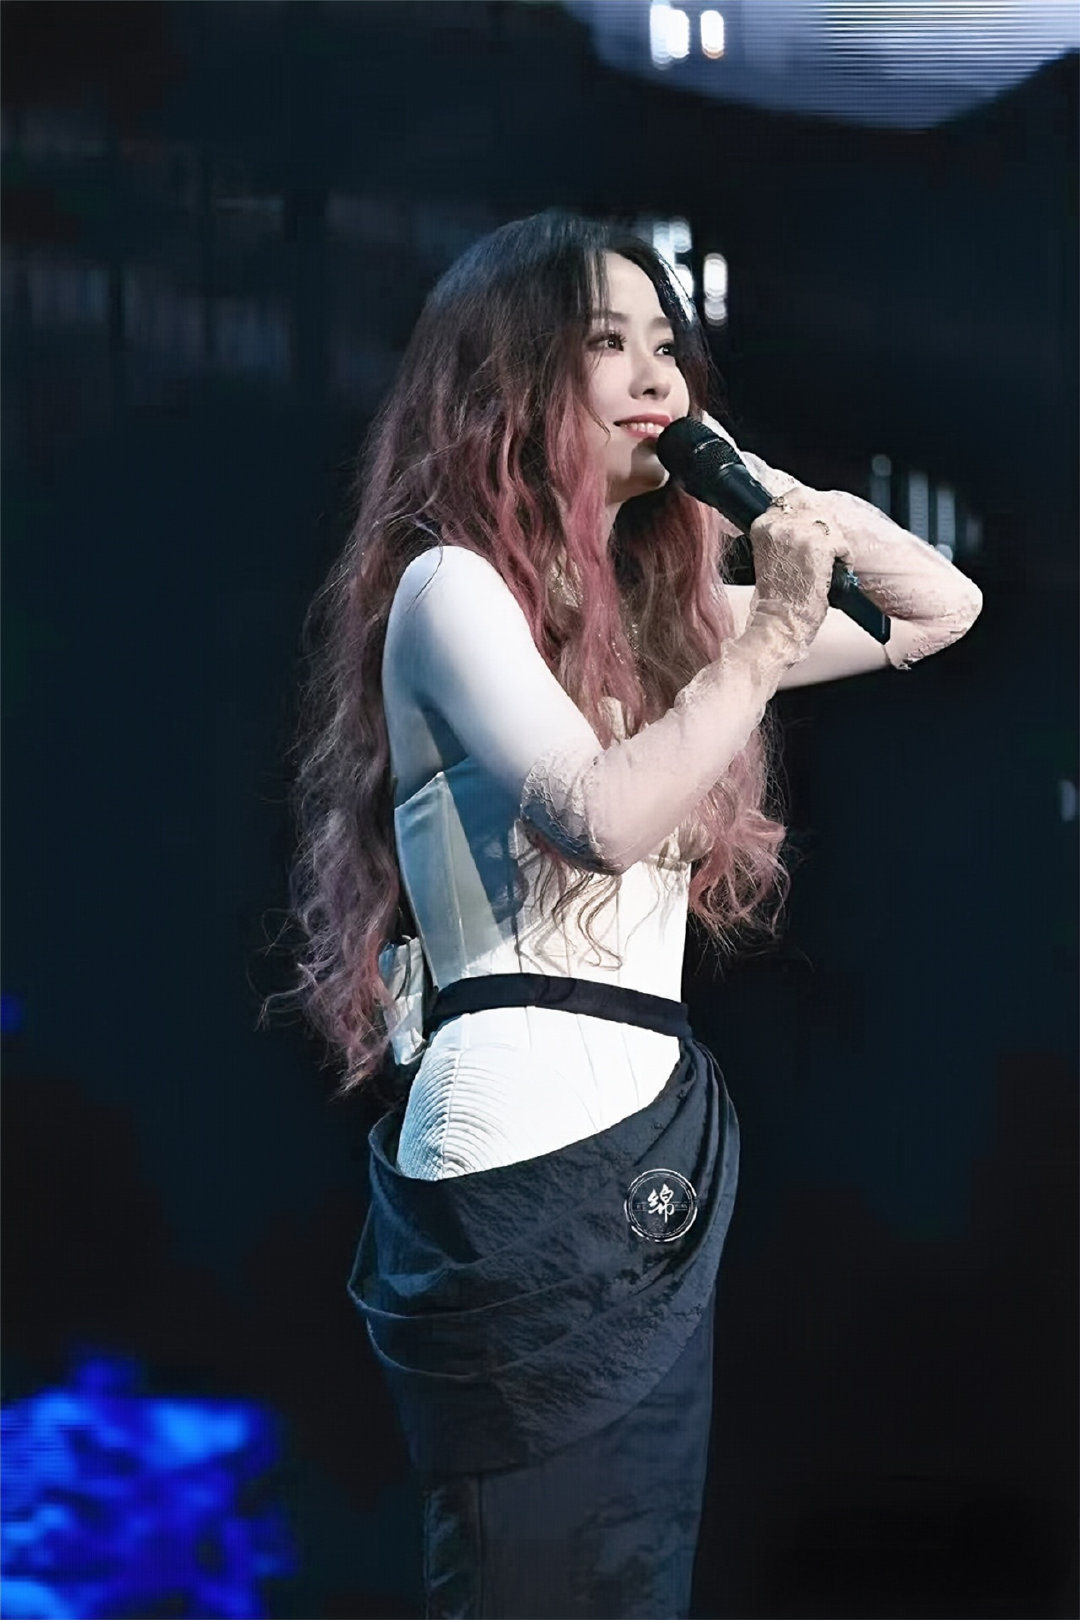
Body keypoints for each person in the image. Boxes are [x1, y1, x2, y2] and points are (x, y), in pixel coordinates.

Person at [276, 209, 983, 1618]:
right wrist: (766, 634)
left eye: (671, 345)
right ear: (515, 376)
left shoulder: (672, 623)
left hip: (645, 1155)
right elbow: (596, 818)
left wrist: (764, 496)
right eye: (612, 344)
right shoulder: (450, 590)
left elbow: (938, 608)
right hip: (521, 1152)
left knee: (632, 1584)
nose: (660, 374)